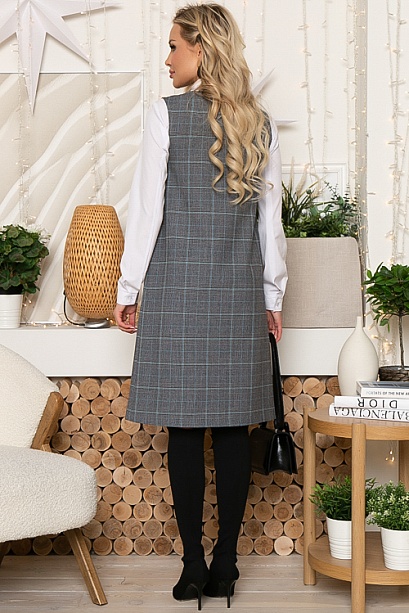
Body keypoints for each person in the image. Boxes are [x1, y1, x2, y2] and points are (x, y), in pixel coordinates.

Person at [114, 3, 287, 609]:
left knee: (185, 431)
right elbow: (270, 223)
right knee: (234, 430)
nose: (167, 59)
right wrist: (272, 295)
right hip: (238, 293)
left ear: (201, 49)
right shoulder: (259, 124)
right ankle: (226, 565)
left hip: (176, 291)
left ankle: (192, 566)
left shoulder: (166, 116)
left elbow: (146, 209)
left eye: (174, 46)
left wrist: (128, 288)